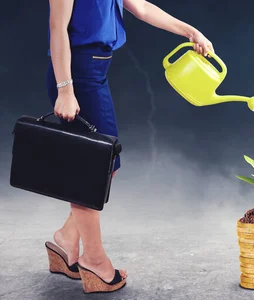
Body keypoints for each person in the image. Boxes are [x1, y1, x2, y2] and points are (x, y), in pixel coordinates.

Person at [45, 0, 213, 293]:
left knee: (103, 166)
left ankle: (66, 240)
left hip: (95, 72)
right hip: (77, 74)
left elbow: (142, 7)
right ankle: (95, 261)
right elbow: (57, 27)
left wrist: (191, 32)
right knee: (92, 170)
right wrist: (65, 90)